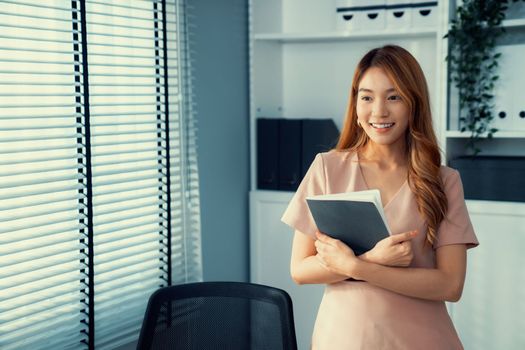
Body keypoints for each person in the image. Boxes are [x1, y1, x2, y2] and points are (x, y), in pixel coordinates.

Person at [281, 45, 478, 350]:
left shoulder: (443, 181)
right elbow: (300, 270)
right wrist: (371, 258)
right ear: (355, 104)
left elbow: (451, 285)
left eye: (394, 96)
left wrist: (359, 268)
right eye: (367, 97)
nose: (379, 111)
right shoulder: (327, 168)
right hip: (345, 338)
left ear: (414, 103)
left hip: (422, 339)